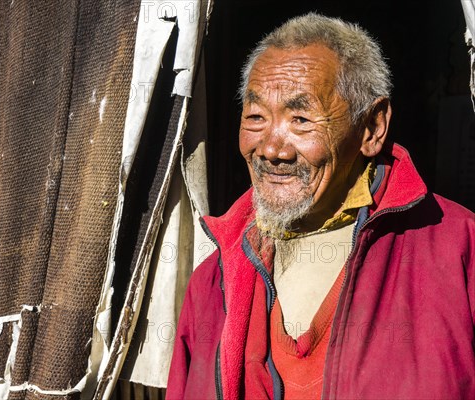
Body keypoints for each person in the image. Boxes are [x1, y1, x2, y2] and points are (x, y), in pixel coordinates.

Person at [166, 13, 475, 400]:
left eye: (300, 119)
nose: (271, 150)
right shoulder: (214, 280)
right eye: (257, 117)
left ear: (371, 128)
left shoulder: (459, 251)